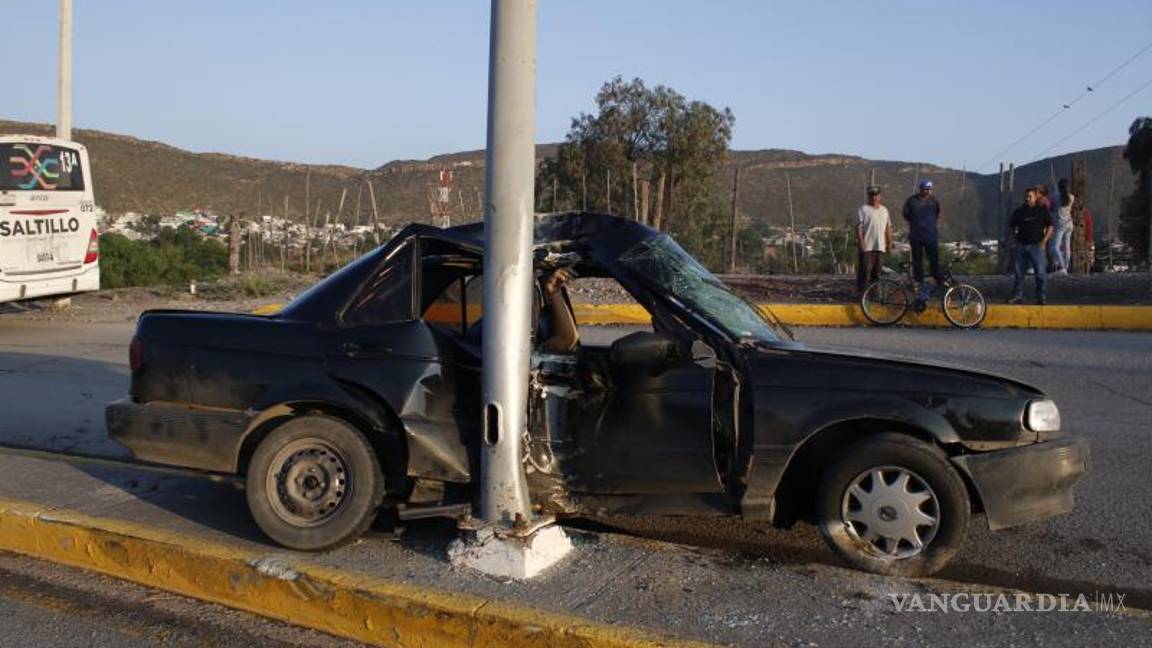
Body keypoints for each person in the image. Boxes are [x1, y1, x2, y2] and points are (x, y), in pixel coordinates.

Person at [902, 180, 944, 309]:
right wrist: (916, 223)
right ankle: (919, 283)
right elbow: (906, 214)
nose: (927, 191)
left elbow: (938, 214)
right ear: (920, 189)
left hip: (931, 236)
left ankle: (938, 282)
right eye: (925, 189)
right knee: (917, 261)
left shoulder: (934, 201)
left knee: (934, 261)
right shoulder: (911, 200)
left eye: (929, 189)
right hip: (916, 237)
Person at [1007, 187, 1053, 305]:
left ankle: (1041, 297)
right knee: (1019, 274)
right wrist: (1014, 240)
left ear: (1035, 197)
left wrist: (1044, 241)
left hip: (1036, 246)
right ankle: (1018, 296)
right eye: (1026, 196)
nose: (1027, 199)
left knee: (1040, 273)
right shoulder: (1019, 211)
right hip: (1022, 246)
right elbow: (1012, 226)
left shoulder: (1041, 210)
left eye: (1030, 196)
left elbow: (1050, 226)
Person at [856, 185, 892, 293]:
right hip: (867, 246)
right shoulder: (863, 209)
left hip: (880, 246)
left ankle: (873, 294)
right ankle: (862, 294)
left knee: (877, 272)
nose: (874, 197)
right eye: (872, 195)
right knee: (864, 271)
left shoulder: (884, 210)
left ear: (880, 196)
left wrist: (889, 242)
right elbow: (858, 227)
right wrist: (861, 243)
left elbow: (888, 227)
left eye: (876, 195)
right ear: (868, 196)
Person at [1052, 178, 1075, 274]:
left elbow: (1052, 207)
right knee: (1067, 247)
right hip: (1069, 224)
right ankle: (1066, 266)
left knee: (1055, 247)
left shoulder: (1055, 196)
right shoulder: (1072, 197)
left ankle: (1062, 267)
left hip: (1060, 224)